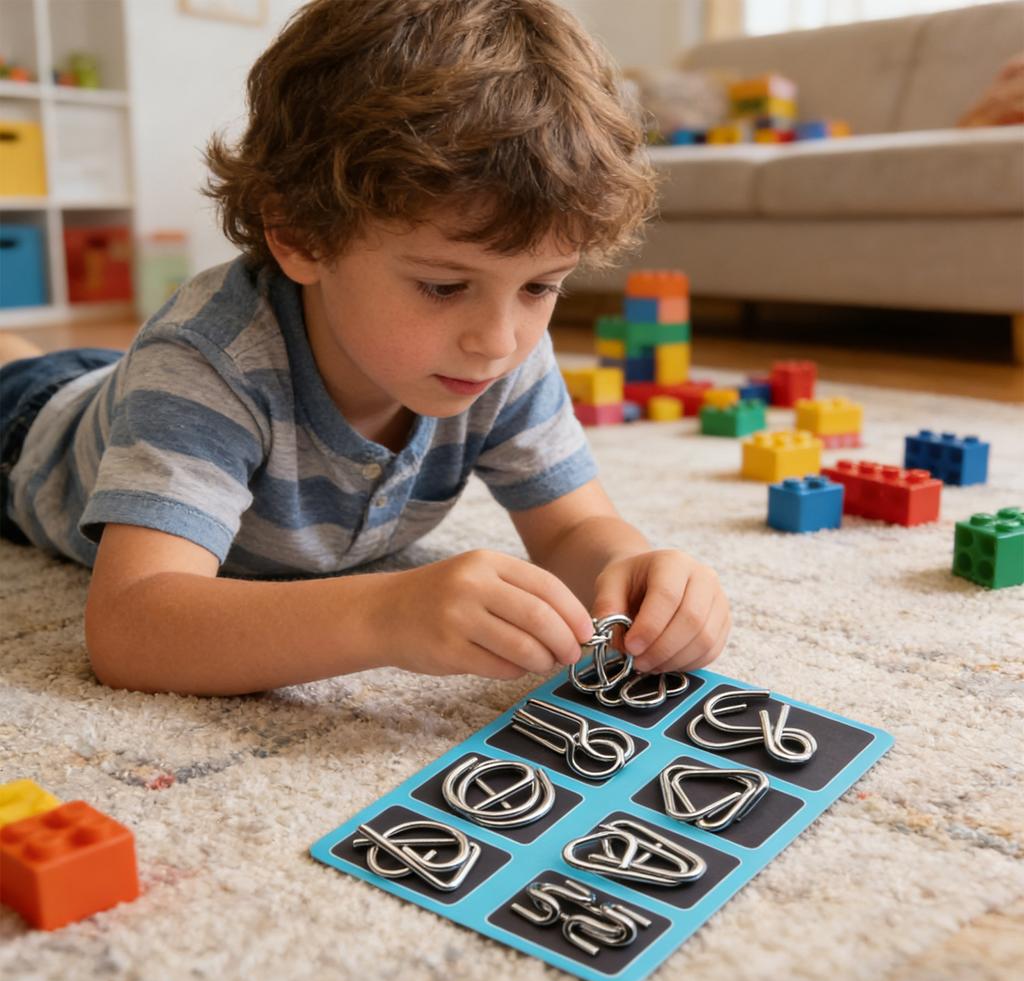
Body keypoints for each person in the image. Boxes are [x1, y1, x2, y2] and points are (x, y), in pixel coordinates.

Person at [0, 0, 730, 697]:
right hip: (29, 427)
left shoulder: (503, 357)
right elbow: (132, 628)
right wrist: (384, 615)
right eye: (444, 286)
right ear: (299, 236)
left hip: (120, 390)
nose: (498, 339)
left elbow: (572, 528)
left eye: (541, 287)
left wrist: (633, 571)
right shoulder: (206, 364)